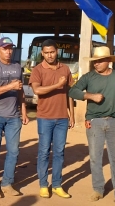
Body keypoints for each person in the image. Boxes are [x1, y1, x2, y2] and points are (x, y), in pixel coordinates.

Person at [69, 46, 115, 206]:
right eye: (95, 61)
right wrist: (89, 95)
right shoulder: (89, 77)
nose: (96, 64)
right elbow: (72, 91)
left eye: (99, 61)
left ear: (108, 61)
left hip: (114, 121)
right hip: (94, 122)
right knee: (95, 158)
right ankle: (98, 189)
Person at [29, 39, 74, 199]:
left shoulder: (65, 69)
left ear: (57, 51)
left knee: (59, 153)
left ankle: (56, 185)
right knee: (43, 152)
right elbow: (37, 90)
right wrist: (57, 85)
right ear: (42, 53)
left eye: (52, 52)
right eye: (46, 53)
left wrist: (71, 115)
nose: (49, 55)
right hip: (45, 118)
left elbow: (69, 93)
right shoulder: (38, 70)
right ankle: (43, 185)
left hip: (62, 118)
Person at [0, 37, 29, 197]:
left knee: (14, 151)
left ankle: (7, 183)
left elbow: (21, 91)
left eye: (10, 48)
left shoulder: (18, 67)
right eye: (5, 48)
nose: (8, 51)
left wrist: (23, 111)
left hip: (14, 117)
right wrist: (10, 85)